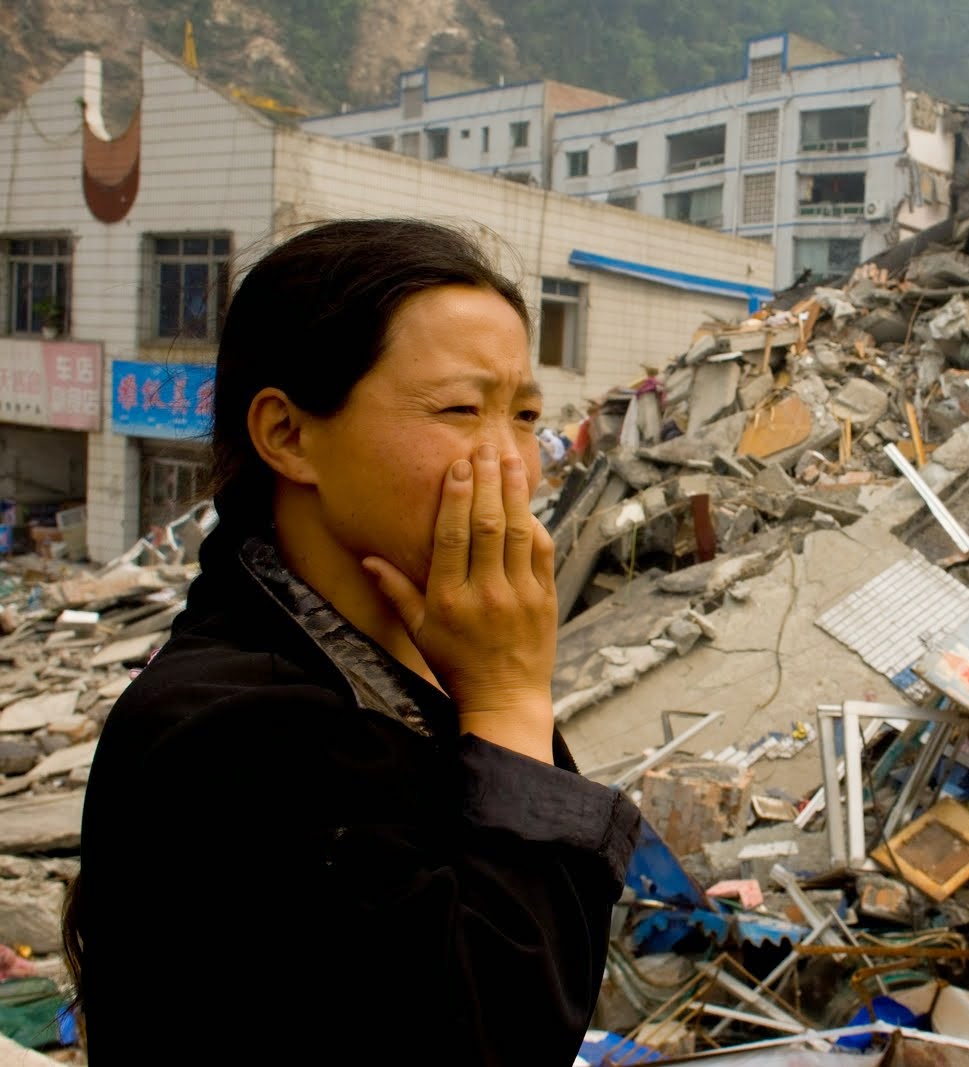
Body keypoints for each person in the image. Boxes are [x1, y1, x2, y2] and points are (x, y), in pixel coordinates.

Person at [64, 219, 640, 1063]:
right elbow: (490, 1037)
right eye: (460, 409)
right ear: (288, 434)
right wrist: (512, 699)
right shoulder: (225, 731)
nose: (514, 465)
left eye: (523, 415)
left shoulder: (422, 676)